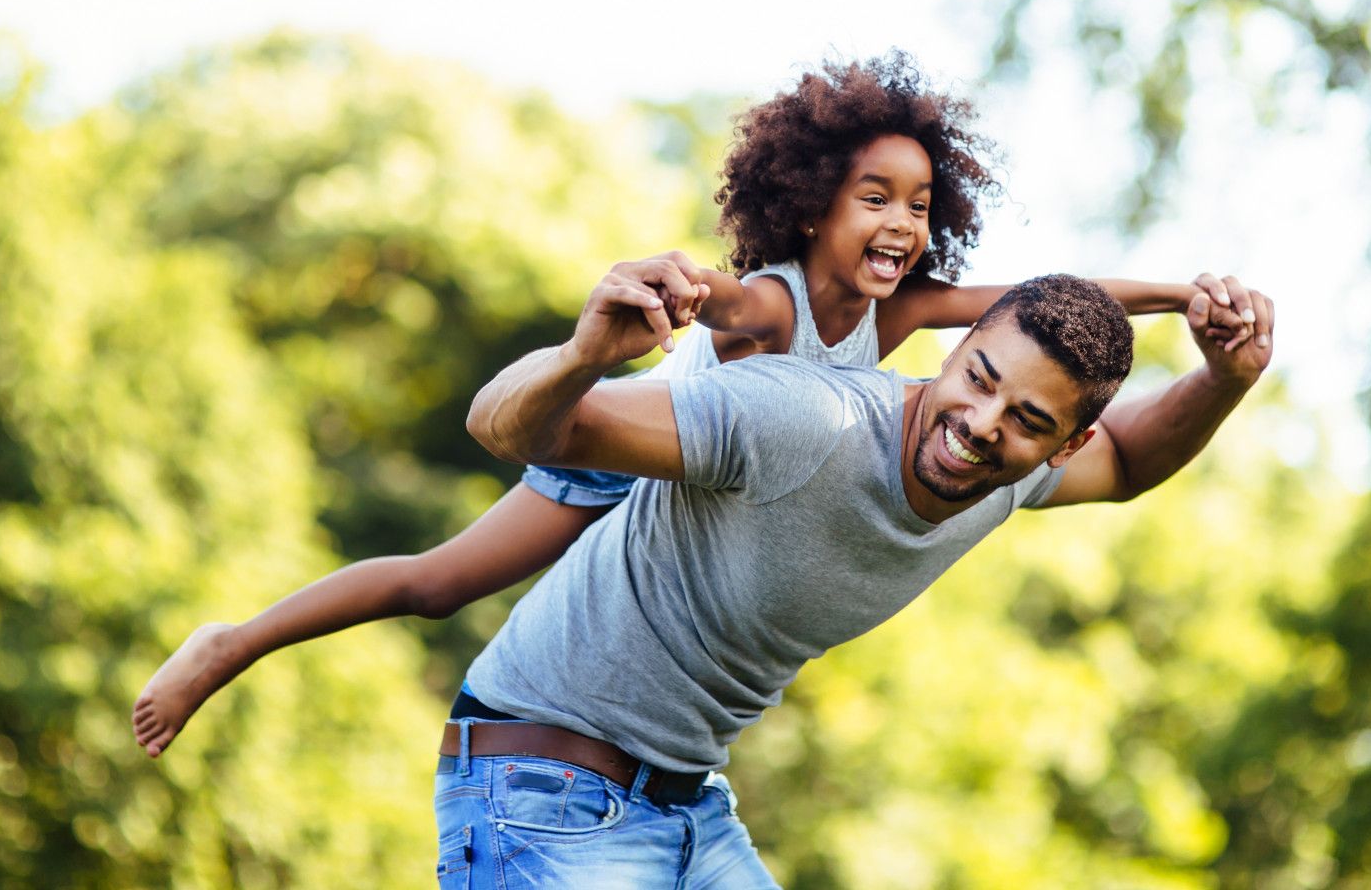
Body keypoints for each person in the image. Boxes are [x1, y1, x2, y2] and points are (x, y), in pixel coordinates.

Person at [131, 54, 1259, 758]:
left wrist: (1180, 298)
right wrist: (667, 291)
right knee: (438, 585)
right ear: (811, 204)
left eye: (920, 205)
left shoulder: (912, 314)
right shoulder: (770, 302)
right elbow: (709, 297)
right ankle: (235, 641)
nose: (901, 225)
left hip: (709, 494)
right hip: (625, 451)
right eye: (874, 197)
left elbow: (1048, 298)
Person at [438, 262, 1273, 887]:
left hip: (685, 805)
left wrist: (1225, 379)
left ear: (1065, 446)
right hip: (540, 788)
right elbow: (512, 429)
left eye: (1026, 420)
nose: (981, 425)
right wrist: (582, 356)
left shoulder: (1011, 480)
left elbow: (1128, 461)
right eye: (978, 380)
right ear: (956, 351)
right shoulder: (803, 419)